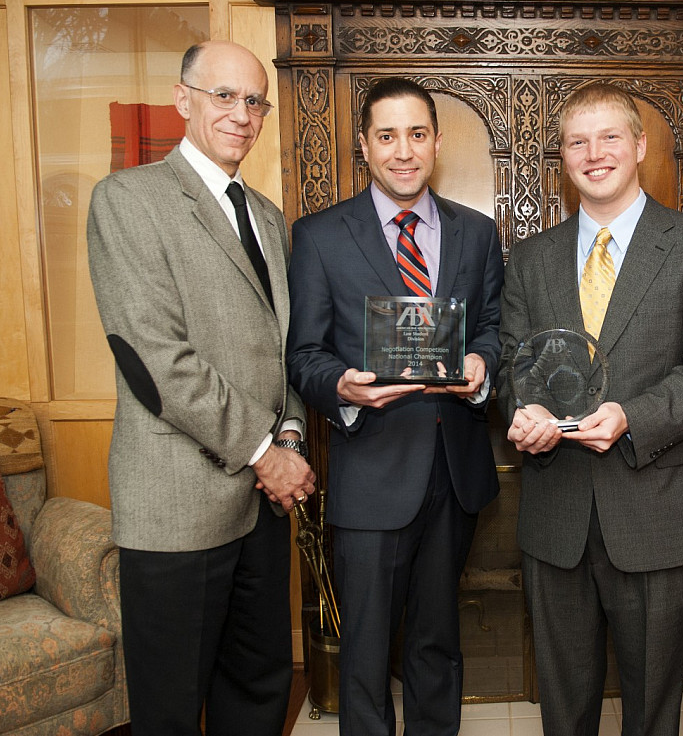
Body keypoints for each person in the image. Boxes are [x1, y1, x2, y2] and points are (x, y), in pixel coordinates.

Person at [86, 40, 317, 735]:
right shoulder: (128, 199)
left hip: (261, 509)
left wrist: (291, 434)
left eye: (254, 101)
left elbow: (283, 350)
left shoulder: (268, 217)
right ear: (182, 99)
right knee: (170, 707)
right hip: (177, 506)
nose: (241, 114)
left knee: (259, 689)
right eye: (224, 95)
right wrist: (263, 450)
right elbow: (155, 359)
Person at [496, 82, 683, 736]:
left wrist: (632, 414)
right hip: (557, 513)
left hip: (657, 512)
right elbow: (515, 366)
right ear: (562, 158)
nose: (594, 152)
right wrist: (522, 412)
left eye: (609, 137)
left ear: (639, 146)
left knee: (651, 707)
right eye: (578, 141)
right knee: (563, 704)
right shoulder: (531, 258)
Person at [286, 77, 503, 736]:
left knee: (437, 644)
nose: (403, 151)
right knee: (366, 654)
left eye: (416, 135)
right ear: (364, 145)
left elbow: (493, 323)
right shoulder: (320, 236)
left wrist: (483, 363)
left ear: (436, 143)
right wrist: (342, 389)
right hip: (370, 471)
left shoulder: (477, 233)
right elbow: (304, 354)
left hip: (453, 472)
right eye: (387, 136)